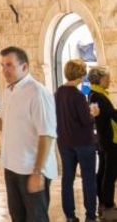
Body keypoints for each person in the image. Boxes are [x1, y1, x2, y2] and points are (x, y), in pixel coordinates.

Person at [0, 46, 57, 222]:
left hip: (31, 168)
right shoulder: (8, 91)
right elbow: (6, 121)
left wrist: (37, 172)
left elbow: (46, 134)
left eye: (9, 65)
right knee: (17, 217)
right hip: (11, 166)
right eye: (2, 65)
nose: (4, 70)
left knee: (36, 218)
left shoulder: (37, 92)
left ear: (24, 67)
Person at [55, 59, 98, 222]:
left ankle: (70, 215)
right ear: (81, 74)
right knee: (88, 179)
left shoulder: (58, 93)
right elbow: (86, 121)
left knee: (67, 179)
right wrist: (93, 113)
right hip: (83, 142)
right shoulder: (78, 96)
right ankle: (90, 216)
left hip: (65, 141)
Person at [90, 67, 117, 217]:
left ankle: (102, 201)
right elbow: (112, 114)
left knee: (103, 170)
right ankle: (108, 203)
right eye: (107, 78)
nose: (109, 80)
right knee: (110, 172)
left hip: (102, 138)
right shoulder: (98, 97)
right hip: (108, 139)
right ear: (100, 79)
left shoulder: (95, 94)